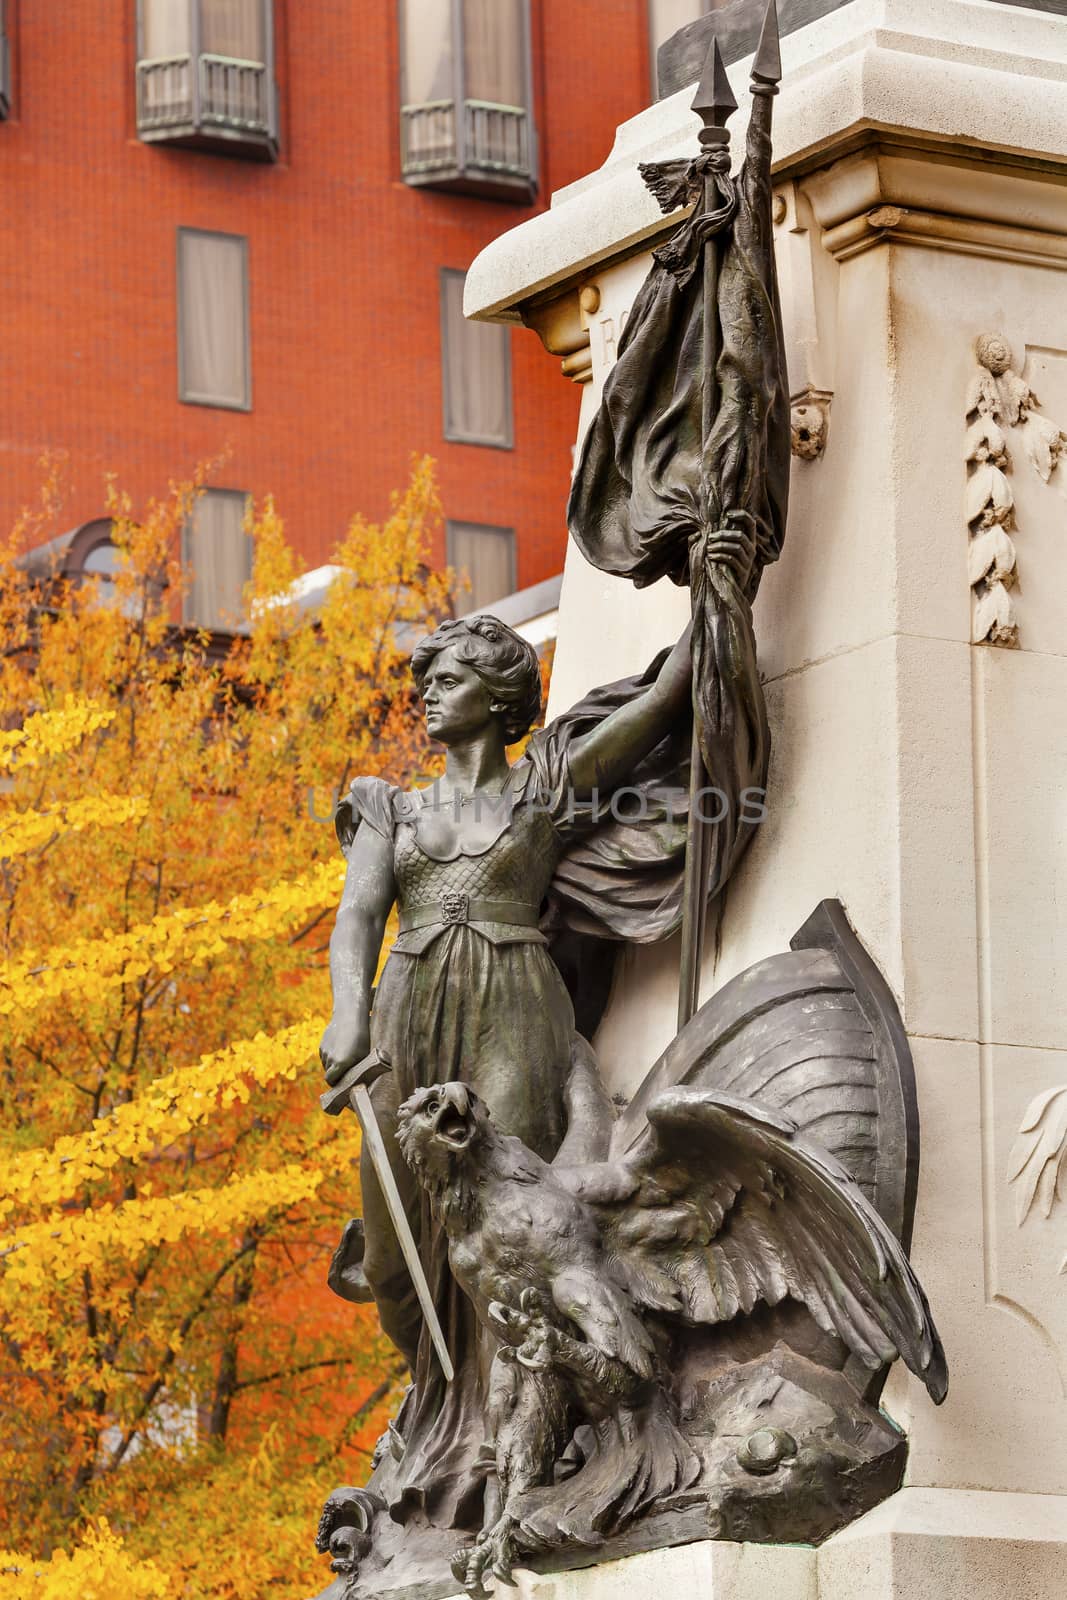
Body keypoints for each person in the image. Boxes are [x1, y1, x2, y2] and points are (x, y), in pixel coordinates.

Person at [319, 525, 753, 1526]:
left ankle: (500, 1448)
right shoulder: (389, 808)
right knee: (393, 1254)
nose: (427, 691)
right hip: (405, 1010)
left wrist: (716, 587)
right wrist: (345, 1019)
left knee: (507, 1228)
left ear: (499, 696)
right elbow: (355, 920)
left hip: (515, 1004)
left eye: (449, 677)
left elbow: (657, 704)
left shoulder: (542, 786)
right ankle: (432, 1414)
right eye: (426, 679)